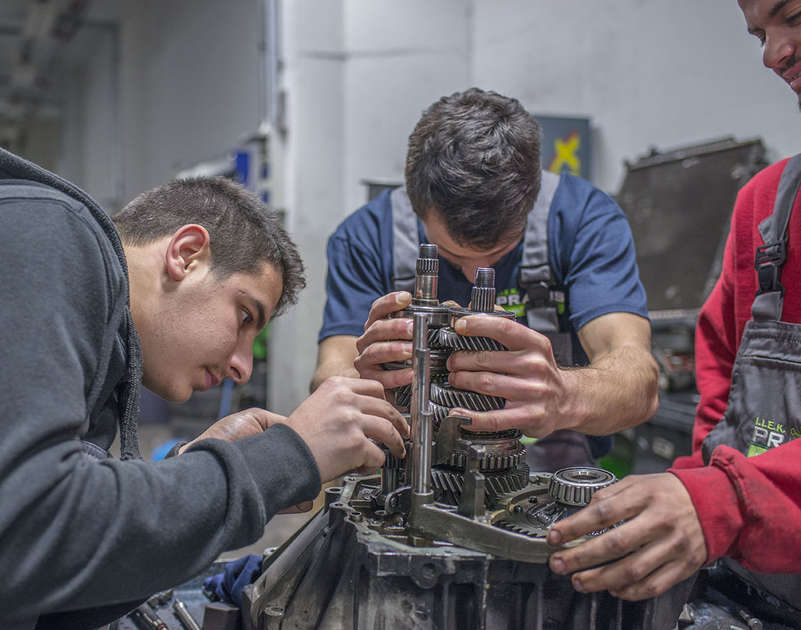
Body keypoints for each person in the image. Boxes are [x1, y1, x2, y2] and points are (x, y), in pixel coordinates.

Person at [0, 147, 408, 629]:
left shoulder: (94, 350)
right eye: (244, 315)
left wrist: (197, 469)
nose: (243, 366)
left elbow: (47, 584)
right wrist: (287, 455)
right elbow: (15, 546)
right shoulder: (33, 233)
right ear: (186, 254)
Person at [546, 0, 801, 612]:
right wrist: (681, 493)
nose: (772, 54)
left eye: (792, 16)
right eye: (758, 34)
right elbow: (722, 413)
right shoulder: (767, 210)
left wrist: (726, 500)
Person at [312, 88, 658, 470]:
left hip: (547, 474)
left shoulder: (585, 220)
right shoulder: (365, 237)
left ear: (530, 198)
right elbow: (331, 372)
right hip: (413, 469)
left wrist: (562, 394)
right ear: (416, 206)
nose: (477, 279)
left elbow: (637, 380)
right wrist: (364, 389)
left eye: (498, 256)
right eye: (452, 255)